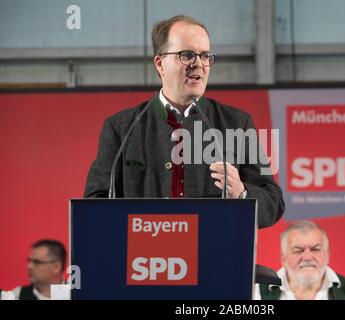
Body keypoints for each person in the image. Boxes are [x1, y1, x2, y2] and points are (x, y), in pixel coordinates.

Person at [84, 15, 284, 228]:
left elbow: (273, 203)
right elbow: (94, 202)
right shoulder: (121, 127)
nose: (198, 64)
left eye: (205, 56)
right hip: (145, 256)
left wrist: (242, 192)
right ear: (160, 64)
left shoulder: (237, 124)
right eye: (187, 55)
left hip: (214, 255)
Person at [256, 220, 345, 300]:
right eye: (298, 250)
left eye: (315, 249)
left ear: (327, 255)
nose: (308, 257)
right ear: (283, 258)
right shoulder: (257, 293)